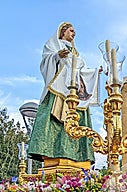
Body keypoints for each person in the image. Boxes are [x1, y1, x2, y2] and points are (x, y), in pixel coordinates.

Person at [28, 22, 100, 164]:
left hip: (73, 93)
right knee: (53, 120)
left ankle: (78, 157)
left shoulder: (76, 53)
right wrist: (57, 56)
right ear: (62, 31)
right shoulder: (53, 45)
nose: (74, 34)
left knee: (76, 120)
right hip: (58, 88)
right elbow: (45, 61)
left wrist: (95, 72)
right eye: (71, 31)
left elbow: (80, 71)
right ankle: (51, 153)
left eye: (74, 32)